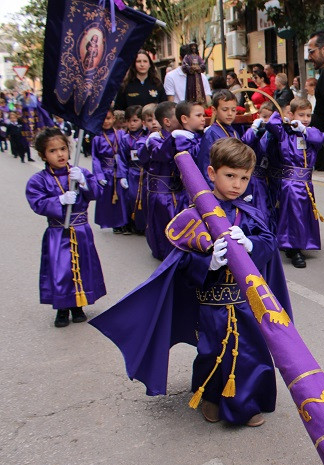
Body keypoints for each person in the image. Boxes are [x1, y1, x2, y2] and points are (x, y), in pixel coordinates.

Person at [91, 138, 291, 428]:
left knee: (250, 351)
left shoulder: (249, 213)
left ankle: (246, 403)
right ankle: (209, 396)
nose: (237, 184)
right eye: (230, 175)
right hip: (211, 301)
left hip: (244, 299)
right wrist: (207, 262)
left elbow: (268, 242)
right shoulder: (193, 215)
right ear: (211, 173)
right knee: (211, 351)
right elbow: (180, 262)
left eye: (244, 178)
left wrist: (251, 244)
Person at [26, 127, 106, 327]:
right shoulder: (39, 180)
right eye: (53, 151)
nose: (60, 154)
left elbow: (96, 193)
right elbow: (37, 203)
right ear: (43, 155)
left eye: (63, 148)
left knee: (82, 267)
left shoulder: (80, 172)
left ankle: (78, 305)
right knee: (61, 270)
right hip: (58, 231)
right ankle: (62, 308)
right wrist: (59, 200)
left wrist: (84, 182)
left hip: (81, 230)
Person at [263, 99, 324, 269]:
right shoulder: (285, 133)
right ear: (292, 114)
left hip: (305, 183)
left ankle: (298, 242)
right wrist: (286, 120)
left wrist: (303, 129)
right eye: (301, 115)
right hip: (289, 183)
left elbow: (320, 138)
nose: (305, 118)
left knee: (304, 214)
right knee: (293, 214)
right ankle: (294, 248)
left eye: (308, 115)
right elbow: (271, 123)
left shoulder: (309, 133)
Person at [140, 101, 182, 260]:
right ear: (167, 121)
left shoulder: (183, 134)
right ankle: (164, 253)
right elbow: (161, 154)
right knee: (162, 222)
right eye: (178, 116)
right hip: (161, 192)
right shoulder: (154, 138)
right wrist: (172, 139)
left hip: (179, 191)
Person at [92, 109, 128, 233]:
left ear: (113, 119)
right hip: (106, 171)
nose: (105, 121)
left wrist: (123, 173)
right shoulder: (97, 138)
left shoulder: (121, 134)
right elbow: (95, 158)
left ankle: (123, 223)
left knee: (121, 198)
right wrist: (99, 175)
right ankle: (112, 223)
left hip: (119, 170)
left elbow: (124, 153)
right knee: (107, 199)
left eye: (108, 118)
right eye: (103, 119)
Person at [198, 90, 240, 185]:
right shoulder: (211, 133)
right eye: (225, 110)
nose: (230, 113)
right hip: (218, 186)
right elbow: (206, 164)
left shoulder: (235, 132)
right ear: (214, 110)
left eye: (233, 110)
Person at [118, 105, 146, 235]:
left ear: (142, 121)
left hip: (145, 172)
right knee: (131, 197)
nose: (132, 124)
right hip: (132, 171)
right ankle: (132, 223)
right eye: (129, 121)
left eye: (135, 120)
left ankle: (144, 225)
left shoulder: (147, 137)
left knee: (145, 198)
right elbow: (121, 158)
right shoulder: (124, 139)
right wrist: (122, 175)